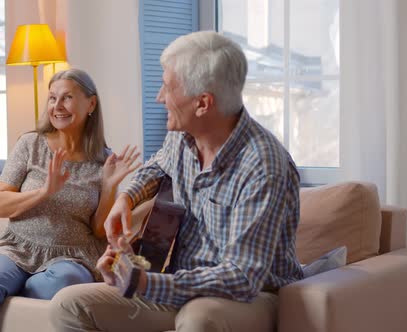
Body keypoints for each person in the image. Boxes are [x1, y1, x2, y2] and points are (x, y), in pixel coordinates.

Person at [49, 31, 304, 332]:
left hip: (253, 297)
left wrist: (144, 281)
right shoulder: (182, 137)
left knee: (199, 318)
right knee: (68, 305)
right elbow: (156, 167)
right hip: (180, 282)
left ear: (203, 103)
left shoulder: (264, 165)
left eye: (168, 88)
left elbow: (242, 277)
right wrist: (125, 200)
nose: (159, 97)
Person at [0, 68, 141, 332]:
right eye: (52, 98)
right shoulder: (30, 144)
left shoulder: (103, 160)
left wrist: (110, 187)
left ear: (91, 103)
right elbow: (0, 203)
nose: (57, 106)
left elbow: (99, 229)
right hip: (17, 247)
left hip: (72, 256)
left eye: (67, 98)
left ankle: (10, 286)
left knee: (62, 284)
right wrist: (44, 192)